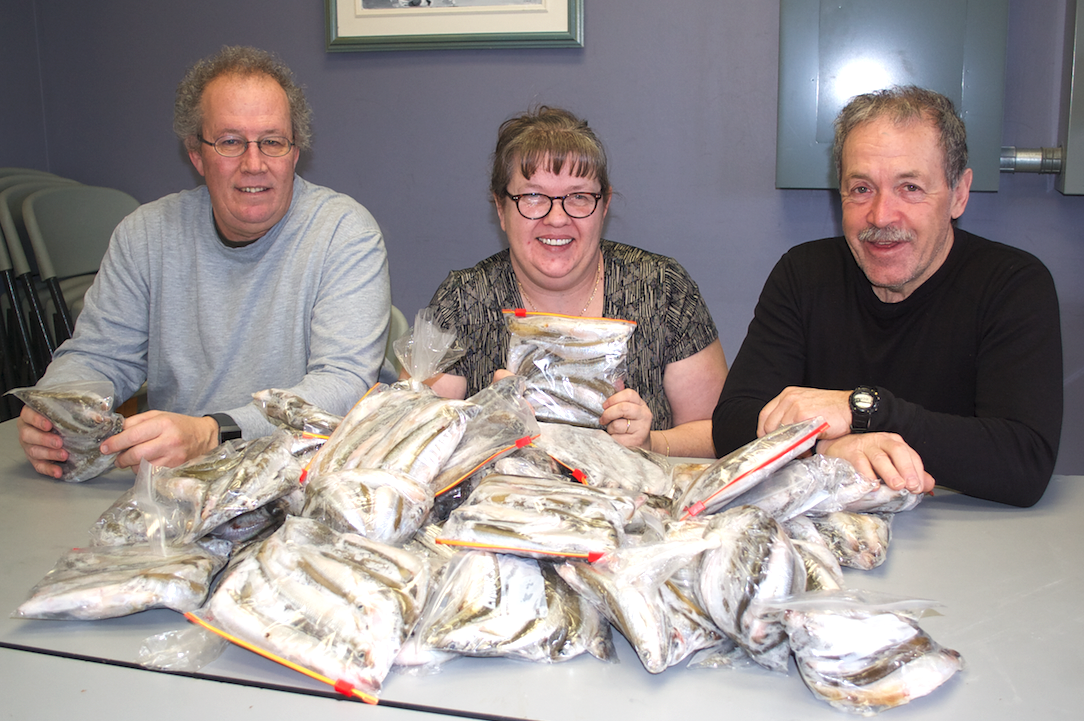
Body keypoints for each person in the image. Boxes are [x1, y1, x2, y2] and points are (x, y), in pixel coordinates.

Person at [18, 45, 391, 477]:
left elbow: (344, 386)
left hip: (302, 478)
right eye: (230, 142)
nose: (254, 164)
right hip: (172, 487)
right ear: (197, 155)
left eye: (272, 142)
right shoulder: (146, 234)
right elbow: (98, 356)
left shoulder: (343, 232)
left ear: (294, 153)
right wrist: (57, 411)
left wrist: (215, 432)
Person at [712, 85, 1062, 508]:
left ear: (959, 194)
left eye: (910, 187)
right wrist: (825, 452)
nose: (881, 216)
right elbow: (732, 423)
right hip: (826, 533)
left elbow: (1023, 463)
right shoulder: (804, 273)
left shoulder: (1012, 284)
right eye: (861, 188)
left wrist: (864, 411)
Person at [425, 106, 728, 458]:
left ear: (604, 206)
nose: (557, 218)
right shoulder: (463, 301)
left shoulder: (662, 290)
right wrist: (483, 431)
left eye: (578, 197)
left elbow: (719, 433)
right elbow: (412, 442)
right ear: (500, 208)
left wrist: (652, 443)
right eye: (533, 197)